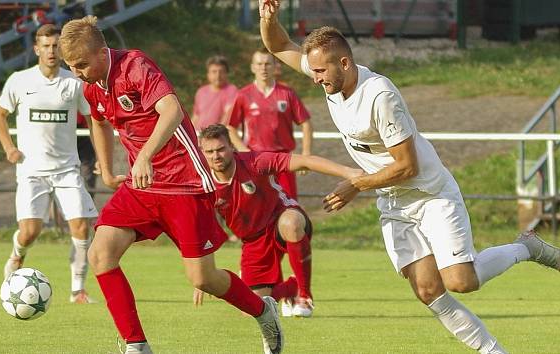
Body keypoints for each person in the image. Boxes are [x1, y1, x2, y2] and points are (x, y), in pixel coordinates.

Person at [258, 1, 560, 353]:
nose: (314, 78)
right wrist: (267, 19)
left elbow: (408, 167)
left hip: (430, 194)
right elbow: (279, 45)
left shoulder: (379, 95)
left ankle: (524, 247)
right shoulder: (330, 77)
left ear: (344, 63)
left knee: (461, 281)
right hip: (394, 201)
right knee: (427, 291)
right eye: (312, 70)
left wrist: (355, 184)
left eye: (319, 71)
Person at [59, 16, 283, 354]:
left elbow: (172, 110)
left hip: (184, 182)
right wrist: (106, 169)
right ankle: (137, 345)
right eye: (71, 66)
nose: (76, 72)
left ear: (102, 53)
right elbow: (98, 120)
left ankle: (262, 310)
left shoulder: (135, 65)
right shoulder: (92, 84)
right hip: (142, 186)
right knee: (100, 254)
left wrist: (145, 155)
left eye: (80, 64)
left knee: (202, 279)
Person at [195, 124, 362, 318]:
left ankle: (304, 294)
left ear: (232, 146)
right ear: (202, 153)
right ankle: (289, 288)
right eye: (210, 151)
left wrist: (350, 173)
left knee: (291, 224)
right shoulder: (203, 183)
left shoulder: (255, 162)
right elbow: (202, 227)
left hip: (280, 219)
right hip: (252, 241)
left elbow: (305, 162)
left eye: (221, 149)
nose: (216, 155)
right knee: (251, 310)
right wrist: (204, 275)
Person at [0, 23, 97, 304]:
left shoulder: (74, 82)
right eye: (46, 46)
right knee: (30, 232)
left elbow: (93, 118)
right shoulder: (19, 80)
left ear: (62, 50)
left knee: (81, 227)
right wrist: (9, 148)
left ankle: (78, 290)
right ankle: (17, 256)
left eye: (56, 46)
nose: (52, 51)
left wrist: (99, 156)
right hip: (31, 170)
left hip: (67, 169)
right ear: (36, 49)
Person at [226, 47, 313, 199]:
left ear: (275, 67)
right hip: (255, 160)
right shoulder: (243, 95)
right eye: (259, 64)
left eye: (267, 64)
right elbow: (230, 127)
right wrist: (243, 150)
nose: (263, 68)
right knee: (258, 209)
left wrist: (306, 153)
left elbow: (305, 123)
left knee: (290, 208)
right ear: (253, 67)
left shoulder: (287, 93)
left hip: (284, 160)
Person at [192, 55, 238, 131]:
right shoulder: (201, 91)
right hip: (198, 134)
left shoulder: (232, 90)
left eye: (221, 72)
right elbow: (196, 115)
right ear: (208, 74)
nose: (218, 75)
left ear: (226, 73)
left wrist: (217, 133)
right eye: (214, 72)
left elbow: (228, 115)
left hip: (217, 135)